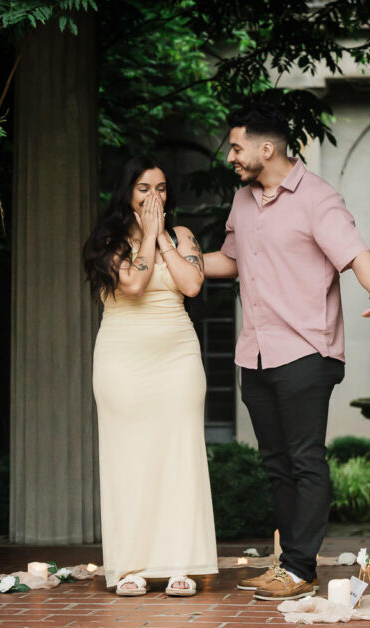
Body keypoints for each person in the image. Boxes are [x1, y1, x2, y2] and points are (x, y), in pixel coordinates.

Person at [204, 104, 370, 601]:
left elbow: (351, 250)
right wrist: (174, 258)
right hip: (256, 352)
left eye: (237, 147)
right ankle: (289, 564)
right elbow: (229, 260)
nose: (231, 157)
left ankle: (301, 568)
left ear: (267, 148)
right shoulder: (242, 202)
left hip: (306, 348)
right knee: (276, 463)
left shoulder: (317, 198)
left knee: (306, 460)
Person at [83, 156, 218, 597]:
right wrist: (146, 239)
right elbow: (134, 285)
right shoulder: (107, 240)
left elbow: (192, 284)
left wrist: (162, 239)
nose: (154, 197)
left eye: (161, 188)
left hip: (177, 358)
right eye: (144, 188)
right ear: (127, 193)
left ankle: (181, 563)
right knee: (128, 459)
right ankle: (130, 567)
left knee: (180, 456)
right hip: (123, 361)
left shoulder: (182, 237)